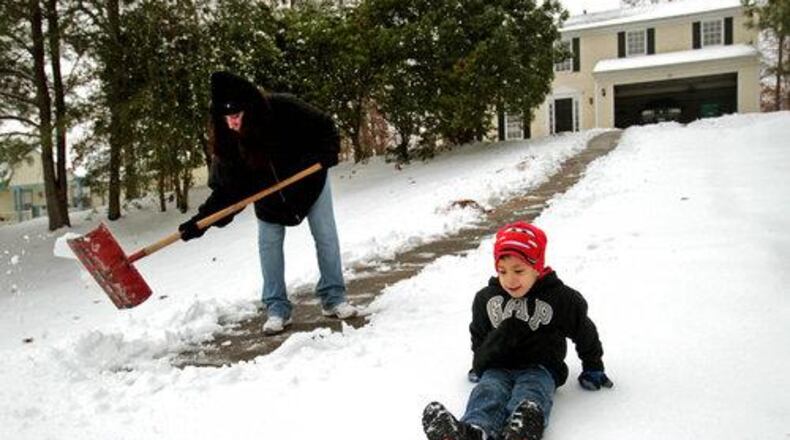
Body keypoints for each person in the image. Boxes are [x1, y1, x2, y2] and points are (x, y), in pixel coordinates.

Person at [179, 71, 357, 335]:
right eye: (226, 118)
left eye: (237, 116)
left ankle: (334, 298)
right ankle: (277, 309)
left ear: (249, 107)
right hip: (269, 199)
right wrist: (201, 222)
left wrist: (327, 153)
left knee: (326, 236)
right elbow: (227, 192)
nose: (232, 123)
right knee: (269, 246)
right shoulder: (227, 142)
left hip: (310, 183)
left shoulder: (284, 108)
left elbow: (325, 126)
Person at [422, 221, 613, 440]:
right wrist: (480, 361)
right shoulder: (487, 298)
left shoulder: (561, 298)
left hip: (540, 367)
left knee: (531, 393)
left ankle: (521, 431)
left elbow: (584, 331)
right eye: (502, 271)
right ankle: (473, 431)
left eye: (519, 271)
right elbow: (479, 333)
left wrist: (593, 366)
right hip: (498, 365)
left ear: (537, 267)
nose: (510, 280)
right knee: (487, 392)